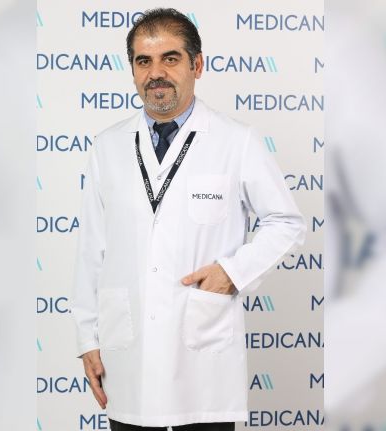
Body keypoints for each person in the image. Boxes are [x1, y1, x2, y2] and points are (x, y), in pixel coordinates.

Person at [72, 8, 306, 431]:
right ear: (132, 71)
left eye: (170, 58)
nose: (156, 73)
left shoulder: (235, 140)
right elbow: (92, 250)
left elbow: (286, 222)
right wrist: (87, 339)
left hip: (203, 364)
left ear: (197, 65)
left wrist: (231, 272)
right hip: (128, 359)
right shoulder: (107, 147)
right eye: (144, 61)